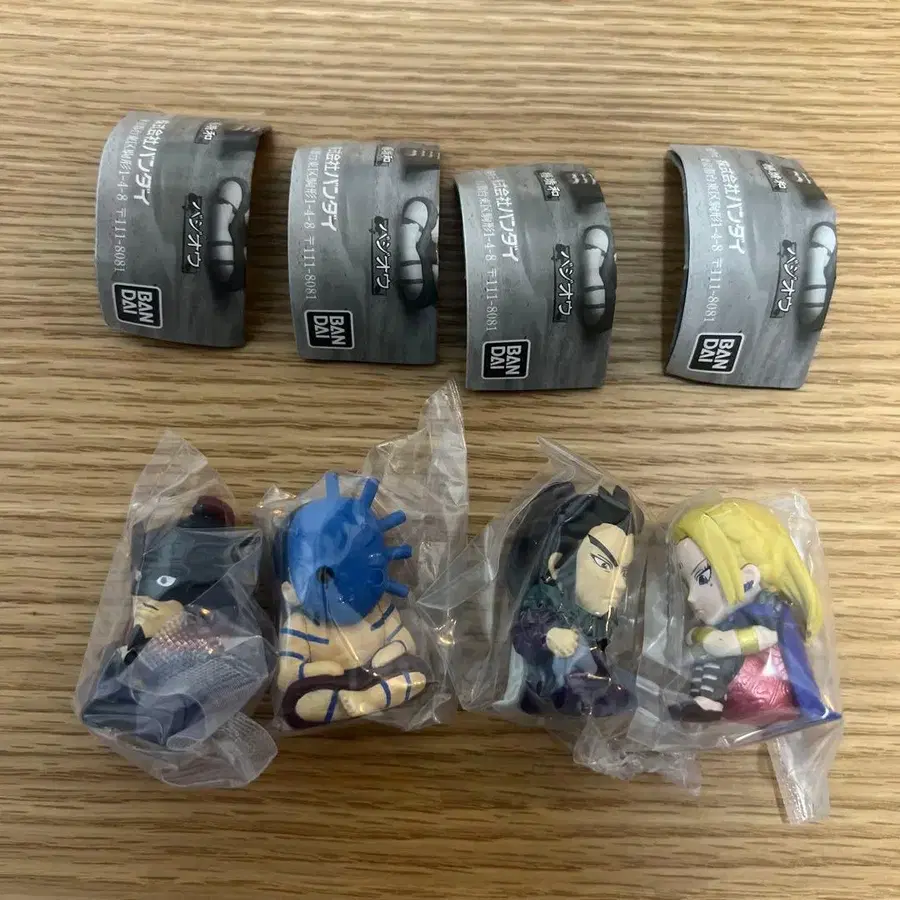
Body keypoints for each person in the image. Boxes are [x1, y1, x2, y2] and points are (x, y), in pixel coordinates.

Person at [669, 498, 831, 724]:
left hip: (759, 690)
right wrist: (700, 637)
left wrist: (733, 642)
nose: (691, 597)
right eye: (687, 584)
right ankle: (703, 701)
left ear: (748, 579)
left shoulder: (769, 611)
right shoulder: (723, 621)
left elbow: (770, 637)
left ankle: (709, 701)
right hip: (732, 690)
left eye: (703, 578)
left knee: (718, 661)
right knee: (710, 661)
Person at [505, 482, 642, 718]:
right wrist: (549, 634)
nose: (620, 584)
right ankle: (569, 695)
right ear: (556, 564)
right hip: (550, 678)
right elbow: (524, 628)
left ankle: (594, 693)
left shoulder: (596, 619)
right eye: (604, 563)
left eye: (624, 571)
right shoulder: (546, 599)